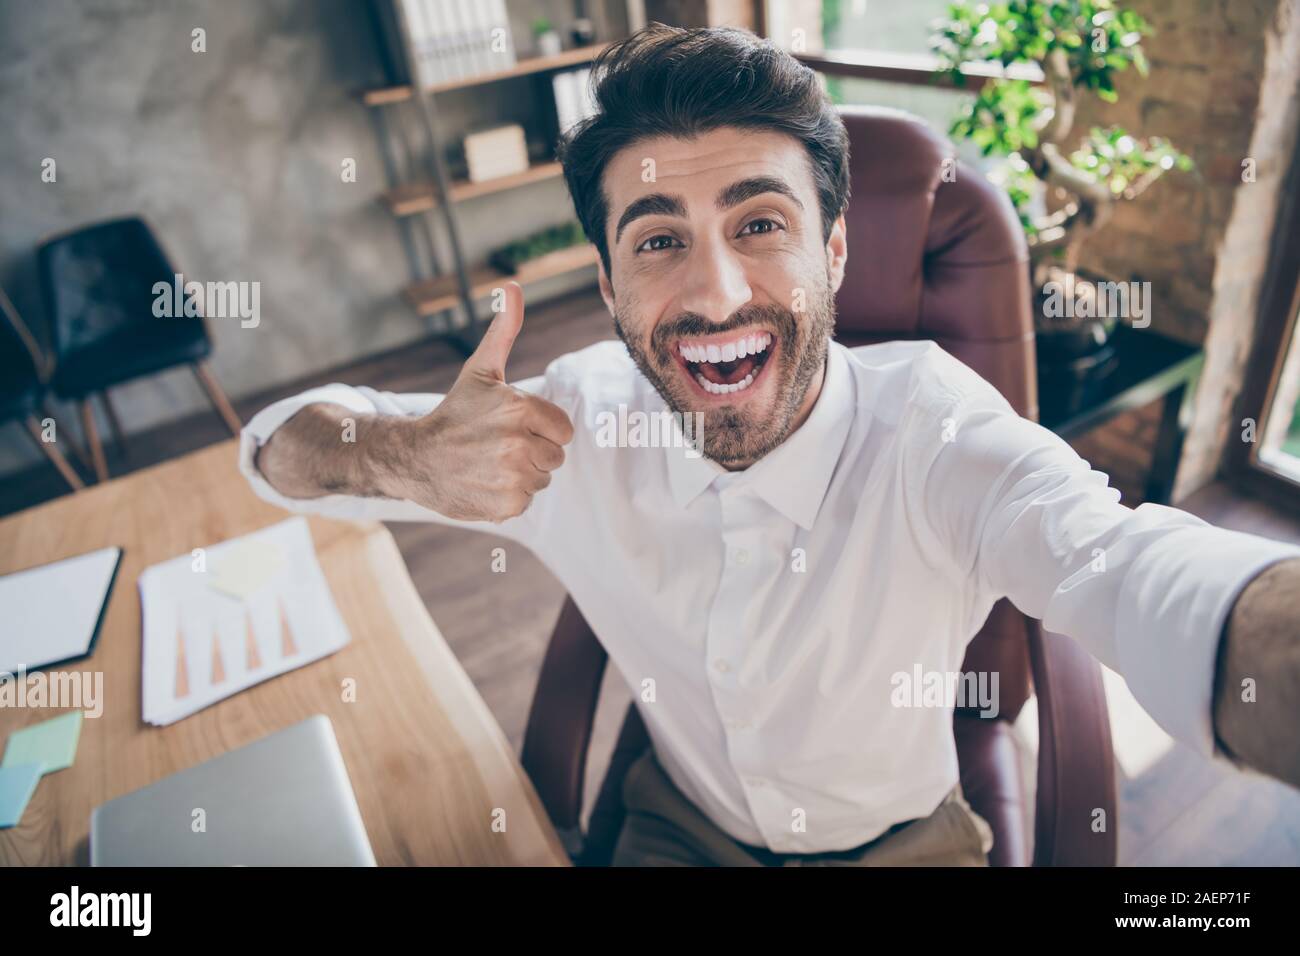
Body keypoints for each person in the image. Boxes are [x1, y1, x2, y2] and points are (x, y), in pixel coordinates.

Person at [239, 25, 1300, 866]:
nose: (714, 292)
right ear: (606, 286)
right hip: (676, 824)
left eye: (759, 224)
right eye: (658, 240)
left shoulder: (937, 431)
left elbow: (1125, 565)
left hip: (906, 841)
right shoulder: (565, 420)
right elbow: (271, 446)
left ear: (833, 250)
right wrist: (404, 455)